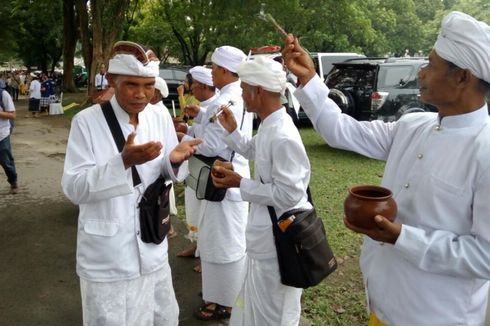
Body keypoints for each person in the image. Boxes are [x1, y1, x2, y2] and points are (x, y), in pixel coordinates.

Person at [283, 11, 490, 326]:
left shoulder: (485, 149)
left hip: (436, 316)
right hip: (381, 303)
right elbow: (341, 130)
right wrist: (310, 81)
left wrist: (402, 238)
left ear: (462, 77)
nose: (421, 73)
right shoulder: (413, 126)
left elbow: (484, 256)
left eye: (431, 65)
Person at [61, 40, 202, 326]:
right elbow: (74, 188)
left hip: (152, 247)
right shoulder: (87, 122)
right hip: (109, 257)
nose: (141, 94)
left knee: (162, 317)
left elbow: (160, 174)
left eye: (149, 85)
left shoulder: (159, 114)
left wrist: (173, 161)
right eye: (131, 85)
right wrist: (122, 162)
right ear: (112, 80)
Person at [211, 56, 311, 325]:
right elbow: (254, 150)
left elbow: (289, 195)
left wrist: (239, 183)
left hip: (279, 240)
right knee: (255, 307)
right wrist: (232, 131)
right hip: (264, 238)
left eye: (244, 88)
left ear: (259, 91)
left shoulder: (283, 134)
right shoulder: (270, 124)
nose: (242, 94)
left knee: (274, 312)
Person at [183, 46, 253, 321]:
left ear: (224, 70)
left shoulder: (226, 101)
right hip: (230, 175)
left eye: (214, 68)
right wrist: (200, 118)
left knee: (221, 243)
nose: (211, 73)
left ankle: (222, 302)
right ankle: (221, 297)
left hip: (221, 177)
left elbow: (212, 145)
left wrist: (185, 141)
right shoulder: (236, 95)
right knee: (223, 241)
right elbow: (218, 131)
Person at [177, 66, 218, 273]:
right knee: (193, 207)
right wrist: (188, 128)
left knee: (206, 212)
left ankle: (206, 254)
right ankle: (197, 245)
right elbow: (200, 131)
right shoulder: (205, 106)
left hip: (208, 167)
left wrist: (182, 138)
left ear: (202, 86)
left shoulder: (217, 105)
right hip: (196, 164)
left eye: (192, 86)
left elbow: (211, 145)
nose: (190, 90)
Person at [0, 80, 18, 194]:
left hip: (2, 134)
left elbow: (12, 115)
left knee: (5, 161)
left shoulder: (3, 94)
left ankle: (13, 181)